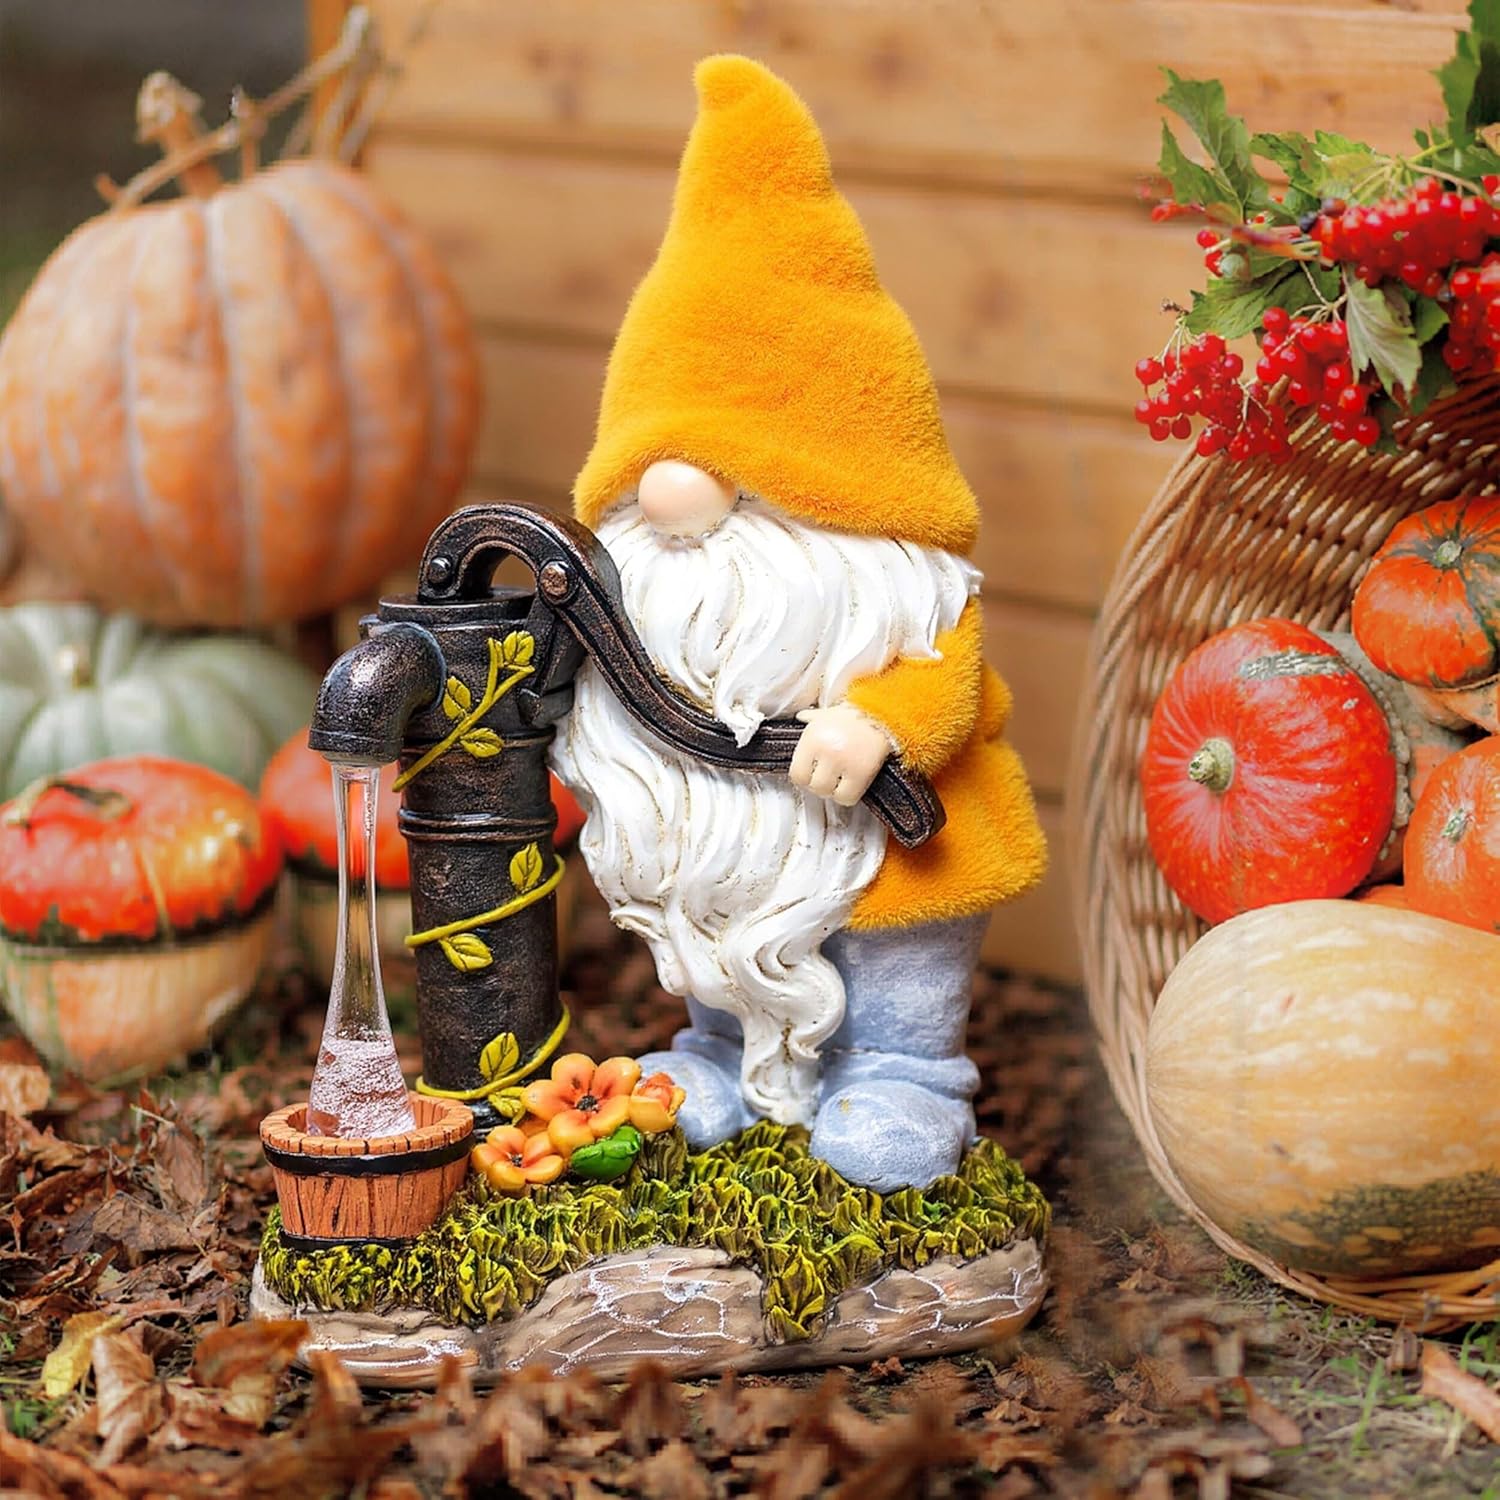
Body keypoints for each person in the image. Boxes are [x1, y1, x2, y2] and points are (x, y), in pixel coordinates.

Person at [549, 55, 1046, 1191]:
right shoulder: (639, 592)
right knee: (719, 920)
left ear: (842, 481)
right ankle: (725, 1055)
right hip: (727, 856)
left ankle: (905, 1075)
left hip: (888, 863)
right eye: (653, 471)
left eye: (732, 477)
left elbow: (942, 680)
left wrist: (879, 726)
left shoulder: (897, 586)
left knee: (894, 955)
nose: (676, 501)